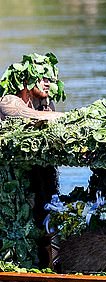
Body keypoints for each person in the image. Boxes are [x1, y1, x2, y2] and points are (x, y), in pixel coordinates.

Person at [0, 53, 66, 267]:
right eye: (42, 77)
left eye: (51, 78)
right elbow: (32, 117)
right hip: (11, 184)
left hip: (39, 180)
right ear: (26, 81)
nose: (48, 83)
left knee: (49, 221)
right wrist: (65, 116)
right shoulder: (9, 101)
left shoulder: (46, 104)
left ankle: (51, 267)